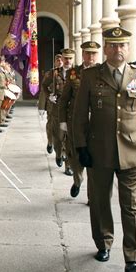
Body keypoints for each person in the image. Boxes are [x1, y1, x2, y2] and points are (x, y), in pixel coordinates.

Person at [73, 26, 136, 272]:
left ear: (128, 49)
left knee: (131, 206)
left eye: (123, 45)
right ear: (105, 48)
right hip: (99, 150)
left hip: (132, 150)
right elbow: (78, 116)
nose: (118, 49)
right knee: (100, 202)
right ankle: (104, 243)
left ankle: (132, 257)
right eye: (113, 45)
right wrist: (81, 146)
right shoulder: (90, 76)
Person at [58, 41, 99, 198]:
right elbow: (64, 99)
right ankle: (78, 180)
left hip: (96, 122)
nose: (91, 56)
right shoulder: (73, 73)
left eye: (93, 53)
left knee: (95, 159)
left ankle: (92, 196)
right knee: (75, 156)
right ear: (82, 55)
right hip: (75, 121)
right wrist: (62, 121)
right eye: (87, 53)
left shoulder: (102, 72)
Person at [42, 48, 74, 173]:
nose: (67, 61)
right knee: (58, 137)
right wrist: (49, 95)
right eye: (66, 58)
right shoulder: (54, 73)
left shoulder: (78, 72)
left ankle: (69, 165)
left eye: (70, 58)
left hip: (71, 109)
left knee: (69, 138)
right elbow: (44, 85)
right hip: (57, 108)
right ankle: (58, 153)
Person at [39, 54, 63, 154]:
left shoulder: (70, 73)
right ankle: (50, 141)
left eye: (62, 59)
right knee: (50, 125)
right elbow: (43, 89)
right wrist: (41, 106)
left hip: (64, 104)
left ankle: (61, 152)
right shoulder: (51, 73)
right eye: (58, 60)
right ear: (55, 62)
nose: (60, 61)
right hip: (52, 104)